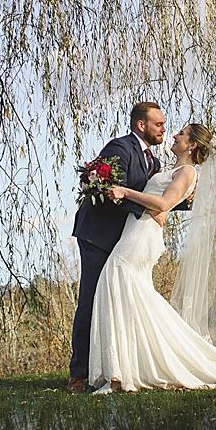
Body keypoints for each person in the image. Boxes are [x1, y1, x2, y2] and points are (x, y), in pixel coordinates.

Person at [87, 122, 216, 393]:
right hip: (136, 230)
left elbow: (164, 203)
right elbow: (164, 202)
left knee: (119, 282)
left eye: (182, 134)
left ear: (192, 144)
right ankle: (125, 369)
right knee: (129, 293)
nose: (174, 135)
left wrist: (124, 191)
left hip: (142, 236)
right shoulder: (172, 171)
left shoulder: (187, 172)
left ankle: (121, 373)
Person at [68, 101, 166, 393]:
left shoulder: (154, 162)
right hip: (99, 236)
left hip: (127, 241)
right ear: (141, 125)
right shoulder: (120, 149)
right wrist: (149, 210)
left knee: (121, 302)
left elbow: (152, 199)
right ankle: (78, 374)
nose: (163, 129)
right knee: (91, 300)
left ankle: (116, 367)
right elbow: (112, 193)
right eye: (158, 124)